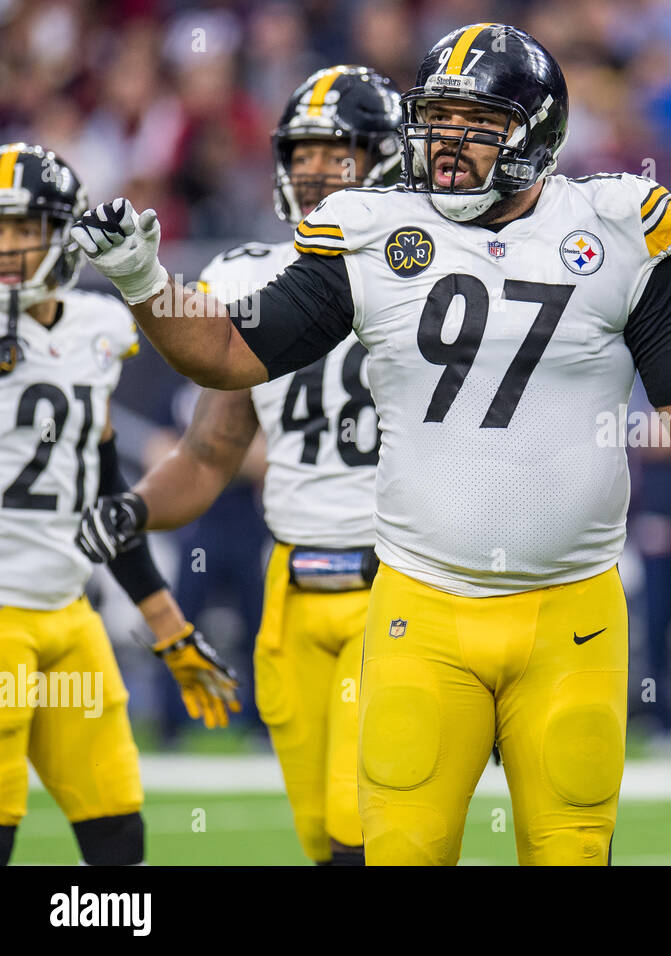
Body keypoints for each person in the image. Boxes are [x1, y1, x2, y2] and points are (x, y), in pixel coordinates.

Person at [70, 23, 671, 866]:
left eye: (476, 122)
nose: (447, 144)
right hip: (421, 606)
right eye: (437, 119)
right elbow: (230, 354)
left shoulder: (620, 225)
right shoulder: (370, 229)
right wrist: (142, 280)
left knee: (570, 850)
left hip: (572, 611)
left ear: (534, 132)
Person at [75, 65, 403, 864]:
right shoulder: (249, 274)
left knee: (370, 836)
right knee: (320, 843)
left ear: (389, 157)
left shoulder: (426, 266)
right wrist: (139, 507)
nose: (315, 170)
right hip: (290, 584)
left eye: (340, 152)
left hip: (396, 580)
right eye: (303, 153)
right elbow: (210, 451)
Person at [0, 143, 236, 866]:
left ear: (62, 232)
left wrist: (165, 624)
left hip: (70, 613)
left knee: (117, 833)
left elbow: (104, 492)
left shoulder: (97, 327)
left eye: (23, 227)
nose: (8, 246)